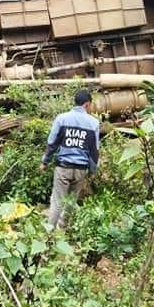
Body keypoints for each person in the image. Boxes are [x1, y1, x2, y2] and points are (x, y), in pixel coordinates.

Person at [41, 89, 100, 230]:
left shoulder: (62, 119)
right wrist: (92, 171)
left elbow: (52, 143)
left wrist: (45, 161)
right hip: (80, 170)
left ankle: (49, 232)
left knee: (57, 201)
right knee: (71, 201)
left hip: (63, 167)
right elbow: (94, 151)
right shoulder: (93, 123)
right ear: (86, 104)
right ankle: (62, 227)